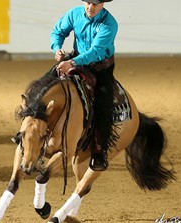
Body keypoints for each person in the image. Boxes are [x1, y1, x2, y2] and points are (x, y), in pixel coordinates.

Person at [50, 0, 118, 171]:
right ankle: (30, 126)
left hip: (100, 68)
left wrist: (72, 62)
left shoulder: (109, 24)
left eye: (95, 4)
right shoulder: (74, 14)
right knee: (45, 85)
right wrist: (57, 48)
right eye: (88, 2)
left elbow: (96, 51)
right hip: (76, 60)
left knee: (104, 105)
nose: (90, 7)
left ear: (103, 4)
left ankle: (99, 151)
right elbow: (58, 31)